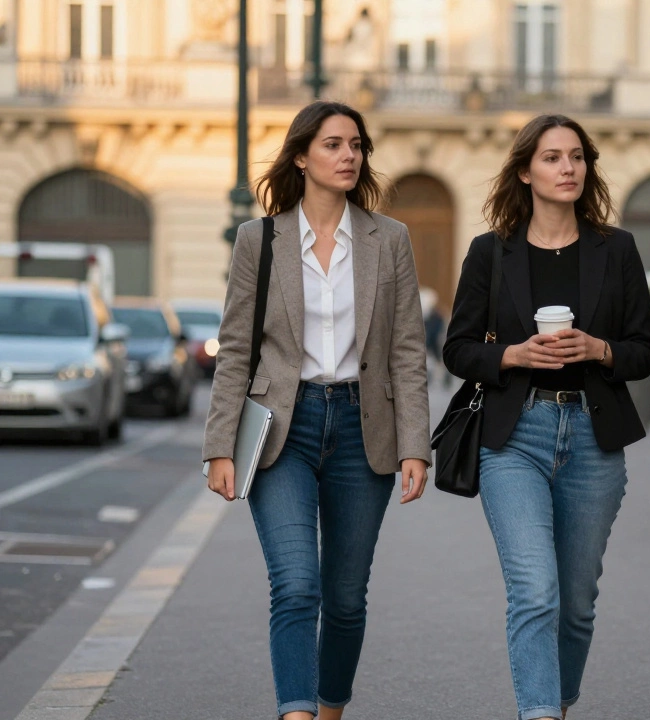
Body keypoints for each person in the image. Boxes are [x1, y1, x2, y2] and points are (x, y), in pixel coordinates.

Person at [203, 100, 431, 720]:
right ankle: (296, 712)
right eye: (333, 144)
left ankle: (329, 709)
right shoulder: (261, 240)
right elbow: (236, 350)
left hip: (365, 429)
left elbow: (408, 350)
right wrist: (219, 446)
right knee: (297, 585)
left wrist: (417, 444)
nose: (348, 156)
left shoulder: (391, 239)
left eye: (356, 145)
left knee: (347, 598)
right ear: (301, 157)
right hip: (283, 428)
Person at [442, 114, 650, 720]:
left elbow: (644, 350)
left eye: (577, 157)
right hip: (515, 437)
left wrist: (600, 349)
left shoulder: (616, 249)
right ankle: (538, 713)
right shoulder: (491, 252)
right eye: (552, 158)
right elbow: (457, 348)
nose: (568, 168)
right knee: (534, 590)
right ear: (525, 172)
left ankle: (557, 704)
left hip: (594, 437)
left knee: (575, 602)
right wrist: (513, 354)